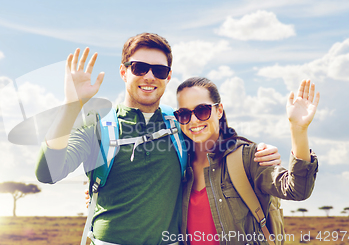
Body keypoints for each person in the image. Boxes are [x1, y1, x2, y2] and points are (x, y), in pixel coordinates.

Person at [36, 33, 281, 245]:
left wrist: (256, 150)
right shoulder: (97, 125)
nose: (149, 76)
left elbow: (216, 143)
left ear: (168, 76)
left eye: (159, 70)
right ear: (124, 71)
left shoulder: (179, 124)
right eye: (139, 68)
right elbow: (48, 172)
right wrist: (71, 106)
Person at [173, 78, 319, 245]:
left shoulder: (246, 157)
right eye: (184, 114)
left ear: (219, 110)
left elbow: (297, 190)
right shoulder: (180, 167)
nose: (193, 120)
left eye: (202, 111)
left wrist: (298, 130)